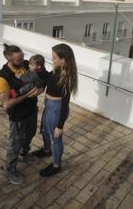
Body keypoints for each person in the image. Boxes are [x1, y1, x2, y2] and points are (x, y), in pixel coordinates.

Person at [0, 44, 42, 184]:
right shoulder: (3, 78)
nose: (23, 61)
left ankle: (24, 153)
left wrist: (40, 88)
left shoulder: (26, 64)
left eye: (23, 56)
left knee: (30, 134)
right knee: (14, 143)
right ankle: (10, 169)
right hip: (17, 116)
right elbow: (6, 104)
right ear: (10, 60)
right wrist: (26, 95)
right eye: (19, 59)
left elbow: (41, 79)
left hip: (31, 110)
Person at [37, 43, 78, 177]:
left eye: (55, 58)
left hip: (57, 109)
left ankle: (56, 166)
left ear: (63, 59)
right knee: (44, 130)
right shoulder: (56, 69)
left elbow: (65, 104)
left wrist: (60, 126)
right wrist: (35, 65)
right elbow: (47, 77)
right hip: (49, 105)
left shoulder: (67, 78)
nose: (52, 60)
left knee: (56, 139)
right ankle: (47, 150)